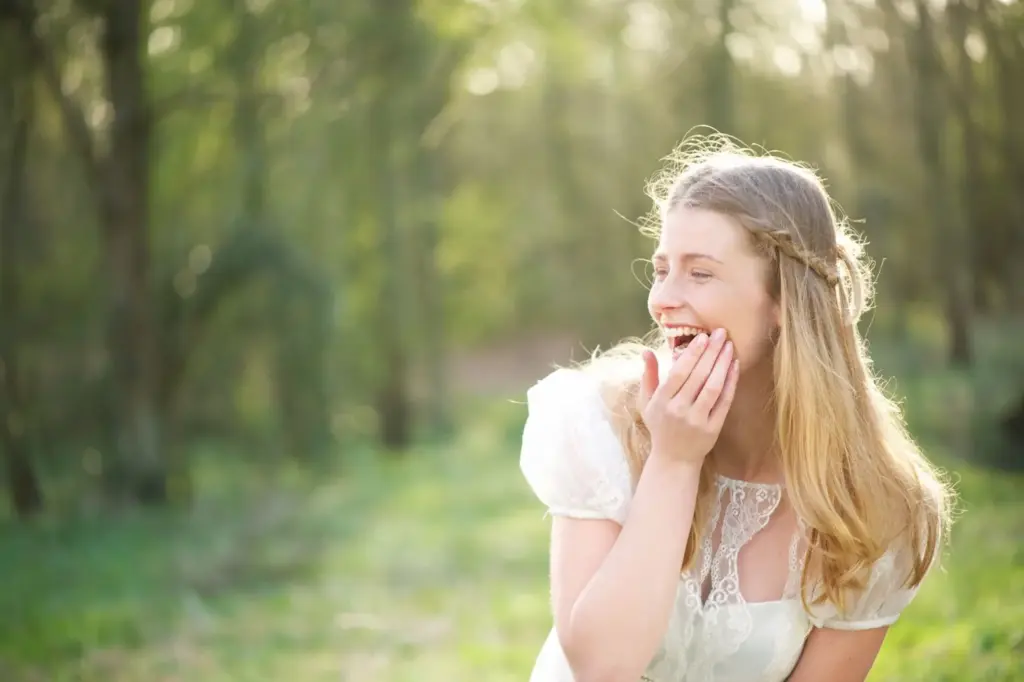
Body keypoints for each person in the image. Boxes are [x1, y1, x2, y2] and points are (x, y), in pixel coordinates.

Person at [518, 135, 954, 682]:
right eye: (661, 269)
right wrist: (674, 462)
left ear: (782, 304)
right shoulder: (598, 424)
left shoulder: (876, 507)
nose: (662, 299)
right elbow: (601, 667)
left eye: (699, 273)